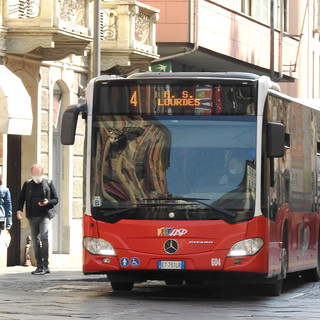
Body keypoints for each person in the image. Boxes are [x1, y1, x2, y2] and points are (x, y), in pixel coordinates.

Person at [17, 164, 58, 275]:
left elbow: (55, 199)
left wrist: (47, 202)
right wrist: (19, 210)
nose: (36, 176)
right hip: (32, 216)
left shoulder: (48, 184)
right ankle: (39, 266)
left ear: (42, 174)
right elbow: (21, 199)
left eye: (38, 174)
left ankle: (46, 264)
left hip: (44, 215)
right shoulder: (27, 184)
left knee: (44, 237)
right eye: (34, 174)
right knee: (35, 241)